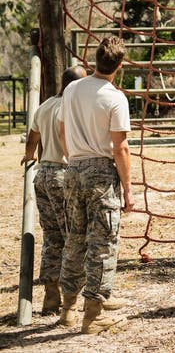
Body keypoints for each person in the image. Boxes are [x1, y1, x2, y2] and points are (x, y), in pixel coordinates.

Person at [57, 36, 134, 334]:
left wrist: (74, 158)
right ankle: (94, 314)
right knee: (103, 242)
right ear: (120, 65)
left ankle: (68, 309)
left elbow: (62, 130)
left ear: (94, 60)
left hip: (73, 168)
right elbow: (120, 148)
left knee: (75, 238)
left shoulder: (73, 88)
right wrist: (128, 188)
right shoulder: (115, 98)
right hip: (101, 172)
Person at [21, 65, 87, 315]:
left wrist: (29, 156)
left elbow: (33, 135)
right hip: (63, 173)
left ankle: (51, 295)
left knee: (52, 237)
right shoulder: (71, 107)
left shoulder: (46, 104)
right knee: (74, 235)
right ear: (74, 85)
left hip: (44, 175)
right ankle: (76, 295)